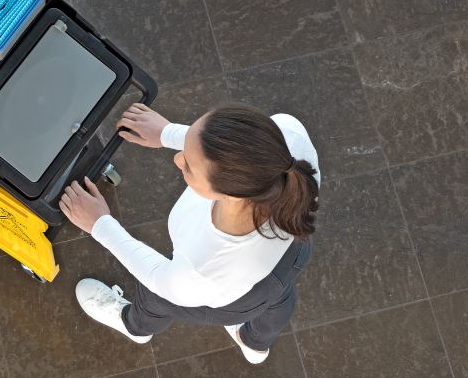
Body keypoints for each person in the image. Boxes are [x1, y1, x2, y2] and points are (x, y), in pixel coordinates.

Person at [58, 102, 320, 364]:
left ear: (229, 193)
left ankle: (134, 326)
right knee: (279, 293)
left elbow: (160, 279)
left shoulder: (201, 269)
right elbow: (241, 147)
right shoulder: (289, 141)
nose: (177, 159)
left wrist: (100, 224)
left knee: (154, 296)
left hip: (232, 299)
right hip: (292, 252)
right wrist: (168, 133)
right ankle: (254, 344)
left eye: (189, 166)